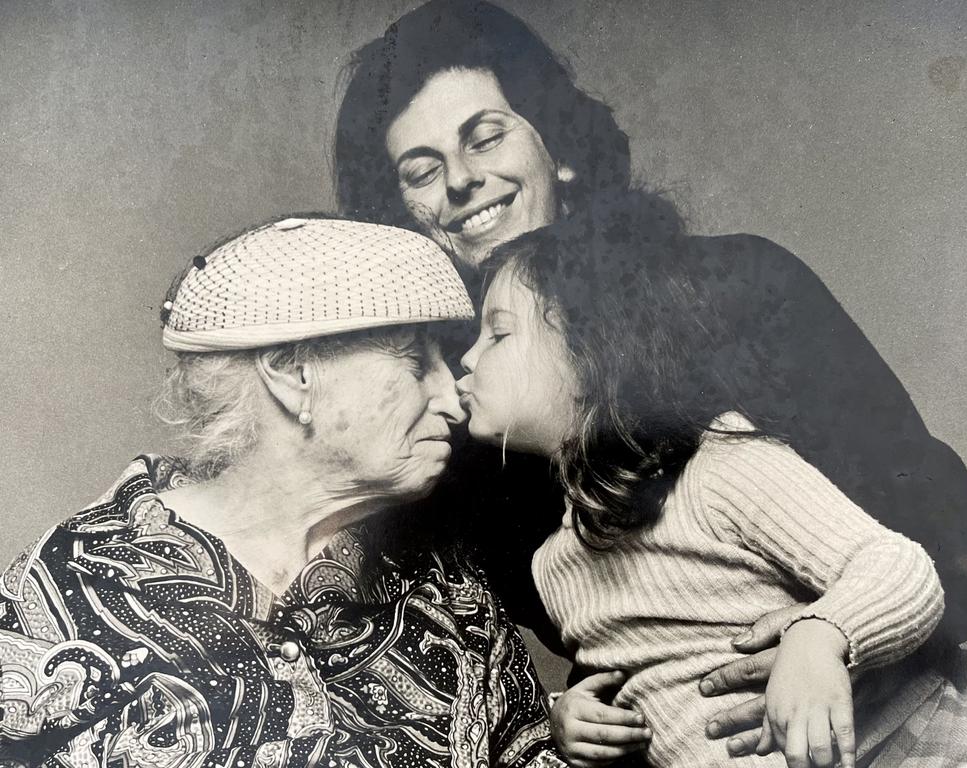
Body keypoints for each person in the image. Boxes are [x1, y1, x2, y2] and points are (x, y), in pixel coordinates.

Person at [332, 0, 967, 757]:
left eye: (486, 136)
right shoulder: (467, 415)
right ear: (406, 218)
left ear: (562, 148)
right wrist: (563, 709)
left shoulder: (744, 286)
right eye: (422, 171)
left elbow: (931, 532)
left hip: (888, 710)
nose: (463, 181)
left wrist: (833, 652)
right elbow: (615, 630)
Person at [456, 190, 967, 768]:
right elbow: (653, 677)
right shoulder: (555, 565)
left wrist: (819, 635)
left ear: (592, 354)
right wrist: (565, 715)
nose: (468, 360)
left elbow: (899, 569)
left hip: (924, 744)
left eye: (498, 335)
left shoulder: (719, 466)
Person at [0, 216, 566, 768]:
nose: (453, 398)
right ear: (292, 371)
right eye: (417, 361)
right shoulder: (74, 579)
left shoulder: (450, 590)